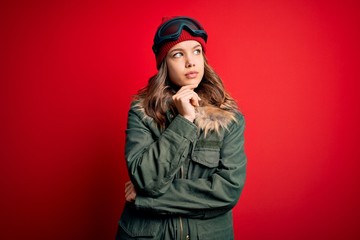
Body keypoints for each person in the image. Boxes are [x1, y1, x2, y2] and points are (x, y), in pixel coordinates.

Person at [116, 16, 247, 240]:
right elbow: (146, 179)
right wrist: (184, 120)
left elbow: (227, 191)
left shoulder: (228, 118)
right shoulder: (142, 112)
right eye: (178, 54)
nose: (190, 61)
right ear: (164, 63)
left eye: (196, 51)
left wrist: (147, 198)